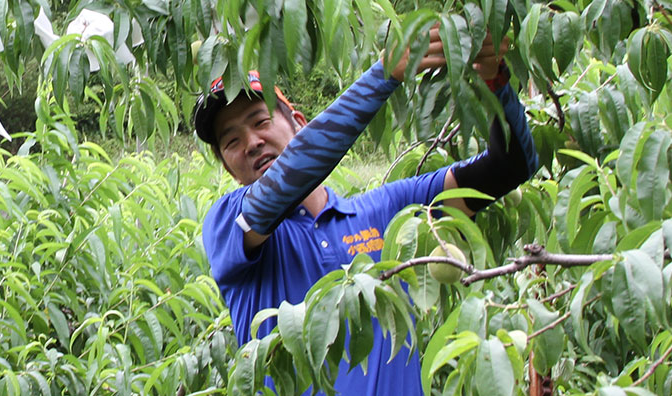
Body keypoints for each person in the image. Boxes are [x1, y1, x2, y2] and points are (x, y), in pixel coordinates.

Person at [194, 28, 538, 395]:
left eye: (260, 121)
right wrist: (385, 74)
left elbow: (509, 167)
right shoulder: (229, 226)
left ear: (300, 122)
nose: (251, 142)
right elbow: (287, 180)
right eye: (231, 141)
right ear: (229, 168)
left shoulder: (389, 212)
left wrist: (495, 79)